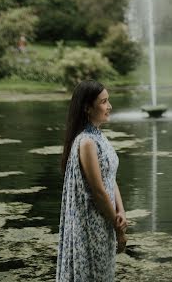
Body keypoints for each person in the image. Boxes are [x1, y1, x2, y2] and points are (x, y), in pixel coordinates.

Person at [56, 80, 127, 282]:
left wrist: (121, 210)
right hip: (92, 225)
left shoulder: (99, 137)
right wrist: (117, 227)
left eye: (108, 100)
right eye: (104, 102)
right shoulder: (86, 141)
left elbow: (110, 178)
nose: (109, 106)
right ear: (87, 108)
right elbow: (98, 191)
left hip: (106, 218)